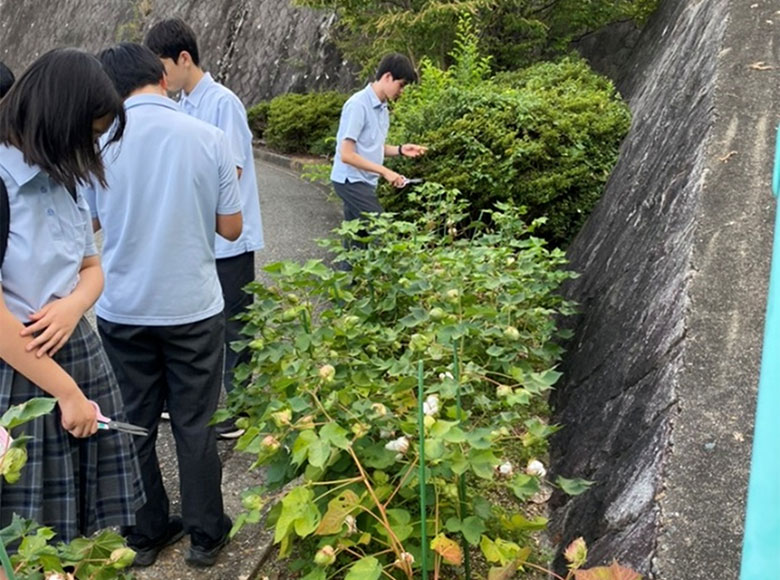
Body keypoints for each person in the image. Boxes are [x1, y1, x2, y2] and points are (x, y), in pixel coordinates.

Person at [85, 42, 242, 568]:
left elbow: (87, 228)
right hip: (192, 307)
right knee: (195, 424)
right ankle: (204, 536)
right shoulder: (208, 137)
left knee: (134, 423)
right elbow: (231, 228)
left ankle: (146, 533)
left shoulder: (99, 148)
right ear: (160, 73)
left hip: (123, 308)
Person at [0, 48, 144, 566]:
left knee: (79, 525)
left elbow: (91, 267)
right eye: (87, 132)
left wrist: (71, 308)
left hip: (74, 346)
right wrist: (67, 393)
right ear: (57, 120)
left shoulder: (62, 176)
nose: (90, 147)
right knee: (23, 532)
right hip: (21, 370)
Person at [144, 18, 264, 439]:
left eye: (162, 67)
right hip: (200, 239)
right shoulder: (181, 104)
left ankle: (241, 410)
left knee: (235, 326)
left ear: (184, 58)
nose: (160, 78)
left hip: (230, 240)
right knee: (199, 326)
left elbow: (229, 172)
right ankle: (191, 402)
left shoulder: (222, 102)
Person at [330, 53, 427, 224]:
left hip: (365, 181)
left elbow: (372, 146)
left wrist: (400, 149)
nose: (401, 91)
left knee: (357, 239)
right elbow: (346, 155)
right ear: (388, 77)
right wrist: (385, 172)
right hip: (351, 181)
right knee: (380, 229)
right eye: (401, 85)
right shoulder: (358, 105)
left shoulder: (382, 109)